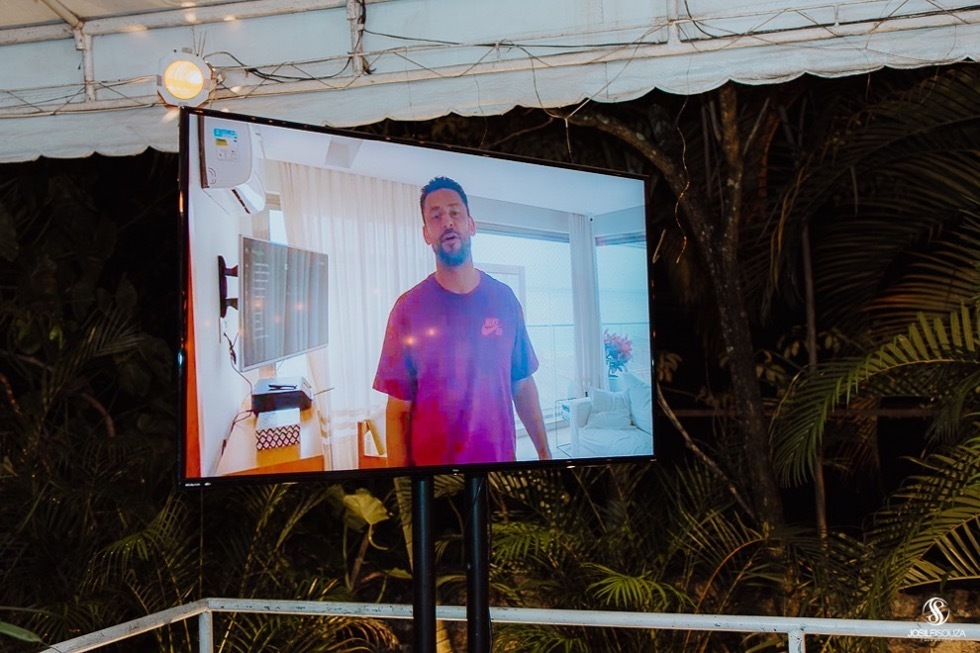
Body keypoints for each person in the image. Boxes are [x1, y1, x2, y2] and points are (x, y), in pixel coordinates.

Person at [372, 176, 552, 467]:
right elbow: (398, 410)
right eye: (436, 216)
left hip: (500, 469)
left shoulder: (504, 299)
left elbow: (522, 383)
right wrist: (404, 488)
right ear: (426, 234)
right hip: (435, 479)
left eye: (455, 213)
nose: (447, 222)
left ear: (471, 224)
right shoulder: (407, 309)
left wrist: (545, 454)